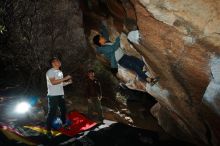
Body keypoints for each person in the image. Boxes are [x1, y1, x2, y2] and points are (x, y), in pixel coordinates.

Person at [93, 24, 159, 85]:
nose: (102, 37)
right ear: (99, 41)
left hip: (125, 56)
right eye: (101, 38)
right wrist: (118, 39)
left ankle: (141, 76)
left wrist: (102, 27)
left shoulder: (106, 42)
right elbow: (113, 48)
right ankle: (150, 80)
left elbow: (105, 34)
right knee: (135, 67)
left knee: (139, 62)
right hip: (122, 60)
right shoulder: (103, 49)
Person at [46, 57, 72, 137]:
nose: (60, 62)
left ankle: (64, 124)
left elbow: (60, 83)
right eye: (57, 61)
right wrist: (65, 78)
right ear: (53, 63)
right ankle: (48, 130)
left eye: (59, 61)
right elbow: (53, 82)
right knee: (52, 113)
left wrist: (67, 82)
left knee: (63, 110)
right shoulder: (50, 71)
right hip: (53, 95)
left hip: (61, 94)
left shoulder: (60, 72)